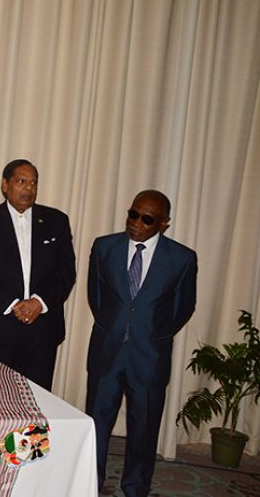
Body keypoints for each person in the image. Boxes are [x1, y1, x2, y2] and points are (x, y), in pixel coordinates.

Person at [86, 190, 197, 497]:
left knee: (144, 429)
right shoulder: (104, 247)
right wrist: (116, 327)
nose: (136, 223)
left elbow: (182, 308)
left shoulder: (182, 259)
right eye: (132, 214)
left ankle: (135, 487)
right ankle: (89, 483)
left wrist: (148, 333)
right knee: (96, 423)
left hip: (150, 356)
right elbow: (96, 297)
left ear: (164, 223)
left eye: (147, 219)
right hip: (106, 352)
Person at [0, 159, 76, 390]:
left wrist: (39, 302)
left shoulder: (56, 221)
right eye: (21, 181)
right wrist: (13, 304)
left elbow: (66, 270)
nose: (28, 188)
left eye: (34, 183)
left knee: (35, 403)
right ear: (5, 185)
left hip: (42, 331)